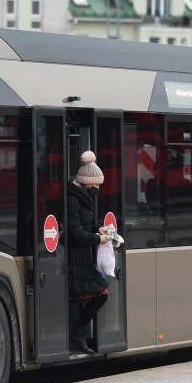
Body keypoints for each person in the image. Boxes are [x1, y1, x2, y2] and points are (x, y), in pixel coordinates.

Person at [67, 150, 110, 355]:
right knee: (100, 294)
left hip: (82, 258)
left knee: (93, 294)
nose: (98, 188)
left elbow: (84, 225)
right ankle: (77, 334)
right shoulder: (73, 199)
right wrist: (97, 239)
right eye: (96, 184)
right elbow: (75, 232)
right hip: (75, 259)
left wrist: (96, 228)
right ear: (86, 182)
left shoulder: (81, 197)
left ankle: (77, 334)